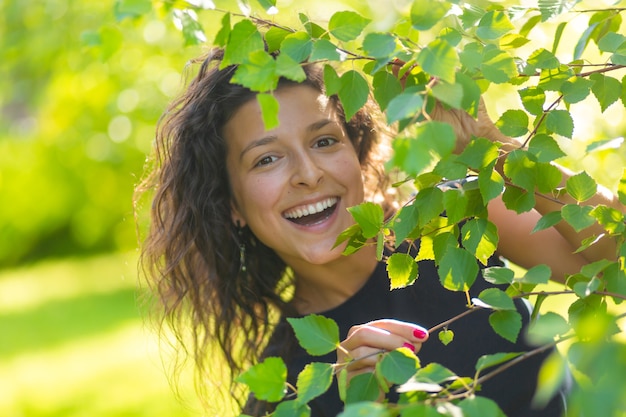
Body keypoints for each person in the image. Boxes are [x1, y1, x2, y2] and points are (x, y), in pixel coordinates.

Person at [136, 47, 621, 417]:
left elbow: (615, 262)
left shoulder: (453, 217)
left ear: (358, 152)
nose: (307, 173)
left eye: (324, 141)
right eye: (266, 158)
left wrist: (499, 150)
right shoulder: (287, 389)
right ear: (232, 206)